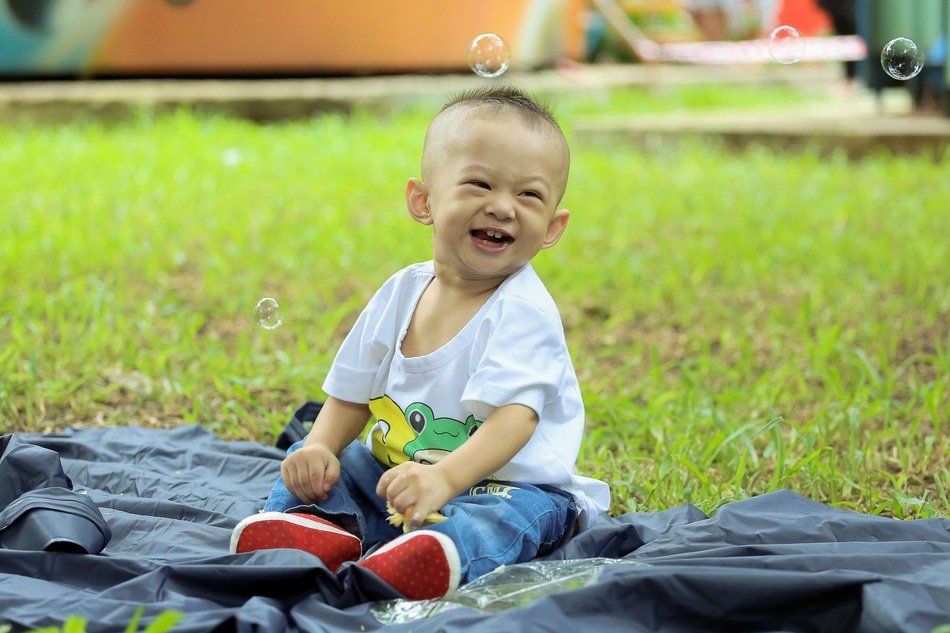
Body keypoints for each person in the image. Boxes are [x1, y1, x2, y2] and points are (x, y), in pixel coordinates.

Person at [229, 86, 611, 601]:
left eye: (530, 195)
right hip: (399, 476)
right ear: (424, 201)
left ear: (552, 227)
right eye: (479, 184)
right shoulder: (400, 293)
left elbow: (514, 421)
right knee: (327, 458)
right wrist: (319, 448)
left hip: (509, 485)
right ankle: (310, 528)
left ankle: (435, 555)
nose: (503, 207)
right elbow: (350, 394)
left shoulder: (522, 311)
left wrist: (446, 480)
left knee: (508, 517)